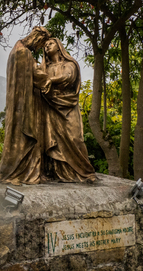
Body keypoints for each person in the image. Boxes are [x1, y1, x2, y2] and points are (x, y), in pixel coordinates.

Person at [0, 26, 51, 185]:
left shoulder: (16, 49)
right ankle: (22, 172)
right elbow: (33, 75)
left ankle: (21, 171)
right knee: (24, 135)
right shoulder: (24, 53)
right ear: (38, 38)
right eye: (41, 44)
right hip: (23, 104)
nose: (39, 48)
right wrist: (48, 79)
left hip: (16, 102)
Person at [40, 38, 96, 182]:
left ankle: (85, 172)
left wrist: (51, 80)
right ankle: (60, 173)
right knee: (55, 141)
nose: (47, 46)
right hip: (51, 106)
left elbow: (69, 77)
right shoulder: (45, 68)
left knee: (75, 138)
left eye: (50, 44)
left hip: (68, 104)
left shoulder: (70, 64)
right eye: (45, 45)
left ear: (59, 47)